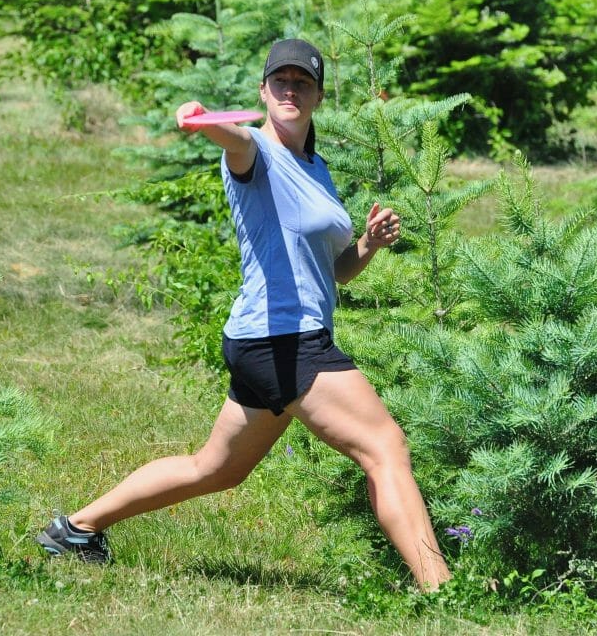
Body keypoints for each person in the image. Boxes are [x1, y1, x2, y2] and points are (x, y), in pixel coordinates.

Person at [36, 39, 451, 591]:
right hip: (284, 339)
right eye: (279, 80)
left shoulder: (318, 169)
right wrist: (203, 121)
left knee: (216, 469)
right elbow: (233, 139)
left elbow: (335, 273)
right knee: (385, 446)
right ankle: (441, 591)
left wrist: (369, 244)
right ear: (262, 91)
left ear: (318, 97)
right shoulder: (254, 149)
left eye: (301, 82)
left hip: (267, 340)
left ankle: (75, 529)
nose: (289, 89)